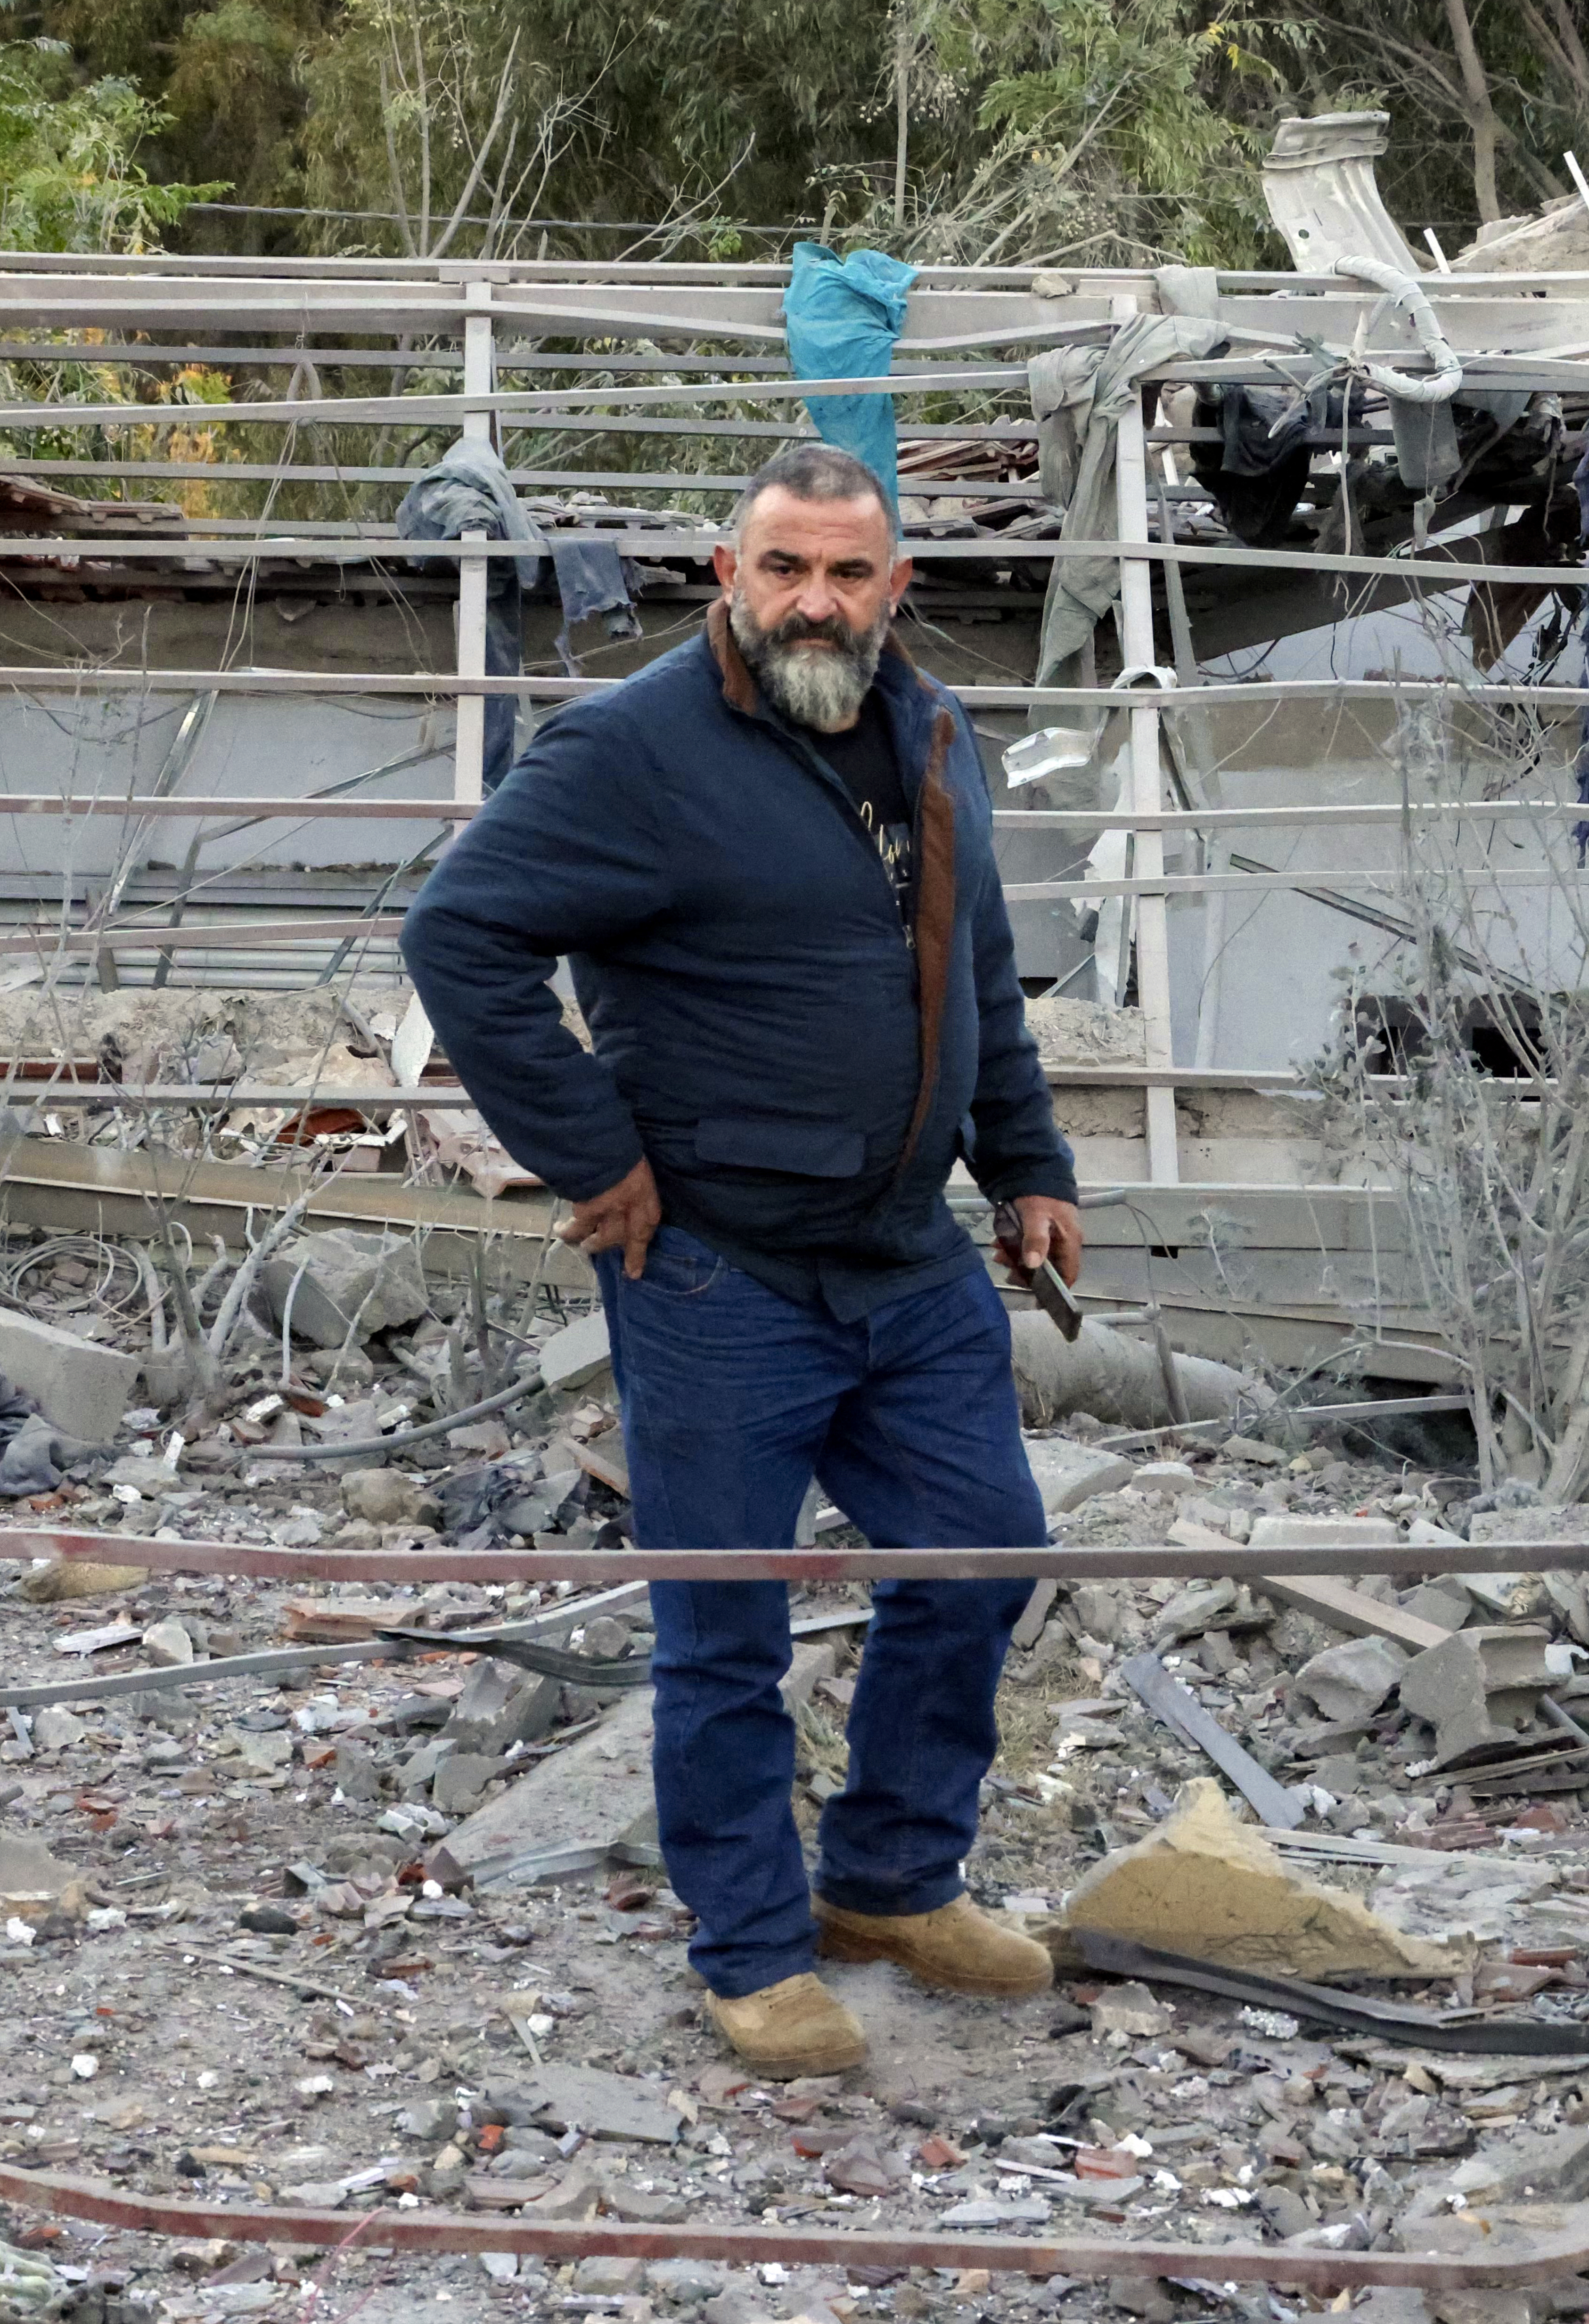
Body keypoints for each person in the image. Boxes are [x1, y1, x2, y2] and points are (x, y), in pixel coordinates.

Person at [402, 441, 1084, 2078]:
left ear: (896, 587)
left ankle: (892, 1883)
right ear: (729, 574)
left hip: (909, 1266)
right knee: (728, 1633)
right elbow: (459, 935)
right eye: (785, 568)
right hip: (719, 1273)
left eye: (849, 573)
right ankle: (756, 1952)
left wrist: (1031, 1161)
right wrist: (597, 1158)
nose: (816, 601)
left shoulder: (930, 727)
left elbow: (972, 958)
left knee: (983, 1563)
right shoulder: (632, 750)